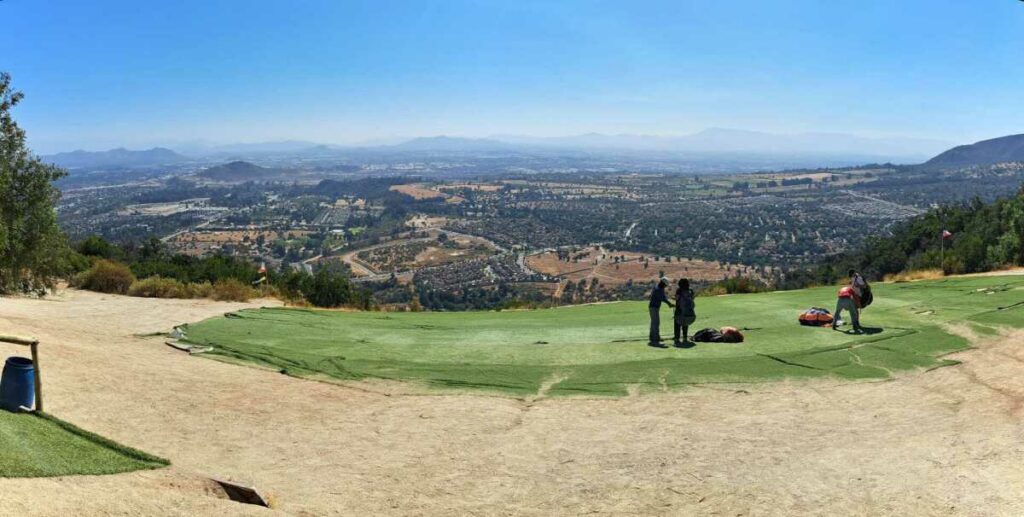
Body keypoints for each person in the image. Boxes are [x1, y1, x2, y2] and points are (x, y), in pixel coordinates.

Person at [648, 278, 673, 345]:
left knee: (654, 323)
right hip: (654, 307)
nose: (665, 286)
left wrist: (669, 302)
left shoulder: (658, 287)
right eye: (665, 285)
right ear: (662, 283)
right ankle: (655, 339)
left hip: (654, 307)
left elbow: (663, 297)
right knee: (655, 323)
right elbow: (663, 298)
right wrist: (669, 304)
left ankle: (654, 337)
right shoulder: (658, 289)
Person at [673, 278, 696, 345]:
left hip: (679, 310)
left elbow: (677, 298)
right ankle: (685, 338)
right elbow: (693, 298)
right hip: (689, 311)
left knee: (677, 325)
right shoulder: (690, 290)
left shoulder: (679, 290)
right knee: (685, 324)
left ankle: (677, 339)